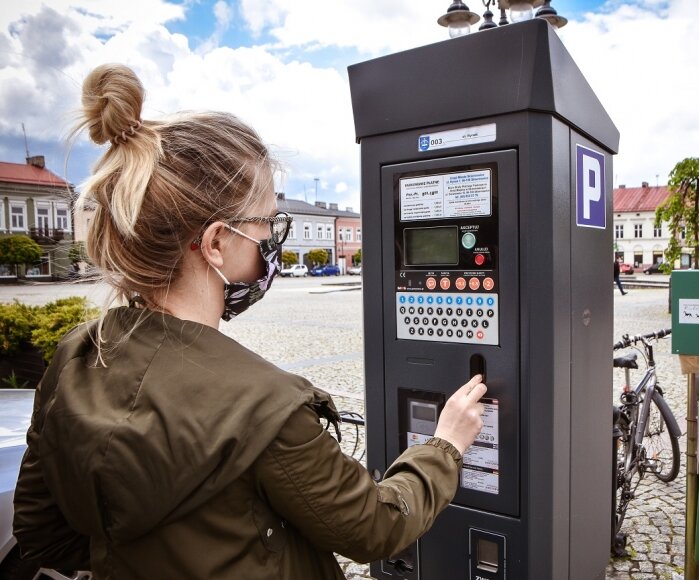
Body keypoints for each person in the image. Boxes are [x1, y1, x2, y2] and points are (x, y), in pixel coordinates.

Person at [13, 64, 487, 579]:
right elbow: (373, 528)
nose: (271, 241)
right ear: (216, 242)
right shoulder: (264, 405)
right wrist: (444, 446)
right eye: (265, 222)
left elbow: (42, 532)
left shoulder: (74, 356)